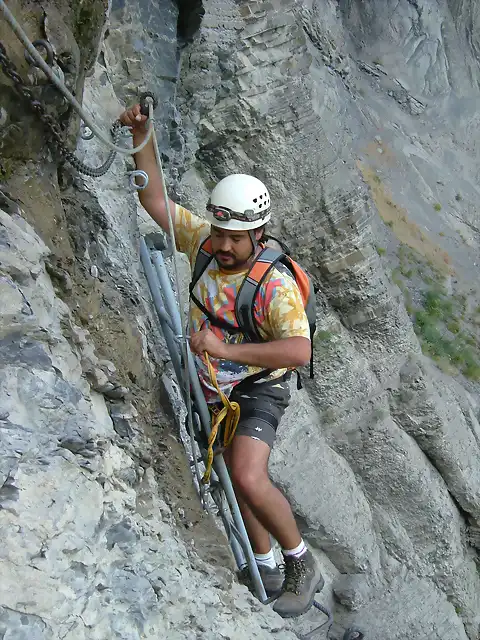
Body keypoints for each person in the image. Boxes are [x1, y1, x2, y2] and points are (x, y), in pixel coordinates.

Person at [119, 104, 324, 618]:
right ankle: (266, 563)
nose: (226, 246)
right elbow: (157, 201)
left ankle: (301, 563)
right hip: (215, 382)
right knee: (234, 476)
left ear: (259, 235)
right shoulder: (205, 246)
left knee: (248, 474)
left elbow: (299, 350)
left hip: (258, 383)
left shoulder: (273, 286)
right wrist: (143, 136)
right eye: (220, 234)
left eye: (237, 238)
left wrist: (223, 349)